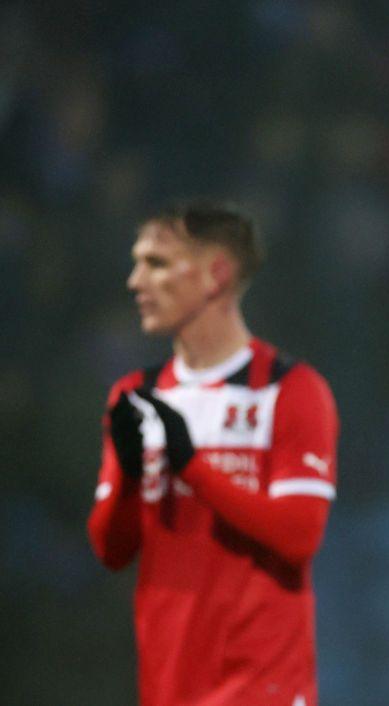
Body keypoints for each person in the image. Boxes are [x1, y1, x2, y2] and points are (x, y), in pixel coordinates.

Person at [87, 200, 339, 706]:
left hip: (262, 689)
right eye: (137, 263)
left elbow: (299, 536)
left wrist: (193, 468)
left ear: (216, 275)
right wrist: (133, 476)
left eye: (156, 263)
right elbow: (111, 551)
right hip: (168, 686)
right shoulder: (133, 396)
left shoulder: (290, 390)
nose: (136, 281)